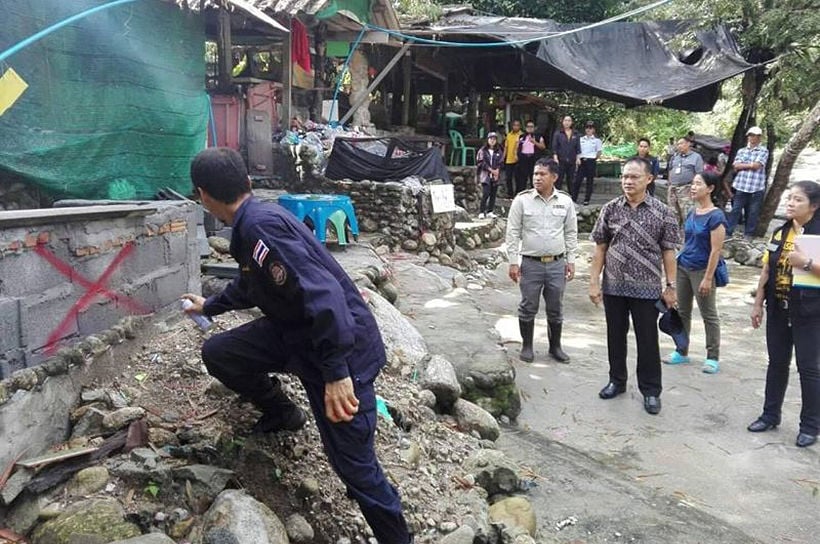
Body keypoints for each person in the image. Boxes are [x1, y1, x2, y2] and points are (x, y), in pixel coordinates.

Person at [182, 148, 412, 543]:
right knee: (220, 352)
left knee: (355, 468)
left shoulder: (259, 227)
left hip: (338, 348)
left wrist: (337, 374)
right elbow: (254, 282)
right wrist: (212, 305)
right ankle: (283, 413)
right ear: (248, 183)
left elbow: (325, 297)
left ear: (203, 195)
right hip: (297, 335)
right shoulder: (253, 222)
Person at [589, 157, 679, 415]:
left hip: (647, 288)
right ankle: (616, 381)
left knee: (648, 340)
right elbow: (600, 247)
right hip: (613, 286)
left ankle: (651, 391)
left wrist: (671, 286)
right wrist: (594, 281)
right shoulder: (610, 209)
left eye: (634, 177)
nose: (628, 181)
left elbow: (668, 252)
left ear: (649, 179)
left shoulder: (663, 212)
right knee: (615, 336)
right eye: (625, 177)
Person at [747, 180, 820, 448]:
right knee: (776, 363)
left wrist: (807, 263)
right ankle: (769, 415)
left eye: (797, 199)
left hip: (810, 312)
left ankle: (810, 426)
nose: (790, 203)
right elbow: (767, 271)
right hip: (778, 308)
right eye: (789, 198)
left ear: (814, 205)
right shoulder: (780, 233)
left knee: (809, 369)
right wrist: (758, 303)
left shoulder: (817, 234)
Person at [505, 158, 578, 363]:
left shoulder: (565, 201)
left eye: (542, 174)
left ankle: (555, 347)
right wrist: (512, 261)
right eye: (535, 174)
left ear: (554, 177)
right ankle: (527, 346)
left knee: (556, 307)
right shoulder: (522, 200)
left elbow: (571, 232)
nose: (537, 177)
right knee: (528, 306)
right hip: (530, 263)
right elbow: (512, 232)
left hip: (556, 264)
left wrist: (571, 260)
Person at [664, 172, 726, 373]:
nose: (693, 187)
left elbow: (716, 250)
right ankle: (681, 350)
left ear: (710, 188)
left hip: (702, 269)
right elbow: (686, 240)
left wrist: (708, 278)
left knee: (708, 314)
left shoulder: (716, 216)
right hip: (684, 266)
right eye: (692, 183)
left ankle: (712, 356)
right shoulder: (692, 211)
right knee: (682, 311)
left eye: (698, 184)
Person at [727, 126, 769, 239]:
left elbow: (757, 166)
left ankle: (748, 234)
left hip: (756, 187)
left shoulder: (763, 150)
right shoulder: (742, 150)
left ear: (759, 137)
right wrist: (750, 165)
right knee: (735, 210)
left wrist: (744, 165)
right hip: (741, 185)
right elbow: (735, 166)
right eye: (750, 135)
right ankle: (728, 232)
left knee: (753, 212)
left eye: (754, 135)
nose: (752, 137)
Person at [667, 137, 704, 225]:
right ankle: (675, 236)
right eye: (678, 144)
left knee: (687, 214)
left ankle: (687, 236)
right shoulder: (674, 157)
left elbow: (699, 174)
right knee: (673, 214)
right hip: (672, 188)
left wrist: (695, 188)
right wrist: (669, 183)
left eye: (681, 143)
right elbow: (670, 170)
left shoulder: (696, 157)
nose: (679, 146)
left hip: (686, 188)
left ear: (688, 144)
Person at [571, 120, 603, 205]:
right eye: (587, 128)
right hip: (581, 161)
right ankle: (573, 199)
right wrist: (577, 159)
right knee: (577, 181)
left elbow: (599, 152)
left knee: (590, 181)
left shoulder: (597, 140)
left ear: (594, 130)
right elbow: (577, 150)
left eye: (590, 128)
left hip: (591, 161)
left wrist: (593, 158)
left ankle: (586, 199)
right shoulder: (580, 139)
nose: (588, 129)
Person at [477, 132, 503, 218]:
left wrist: (497, 171)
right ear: (487, 140)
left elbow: (501, 162)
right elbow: (480, 163)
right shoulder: (482, 150)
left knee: (493, 193)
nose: (492, 141)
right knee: (486, 193)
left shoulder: (499, 151)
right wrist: (491, 170)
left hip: (495, 174)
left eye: (494, 139)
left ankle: (490, 211)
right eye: (490, 139)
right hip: (486, 174)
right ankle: (481, 211)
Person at [552, 115, 581, 192]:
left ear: (571, 122)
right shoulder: (558, 133)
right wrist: (555, 157)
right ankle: (557, 196)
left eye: (569, 121)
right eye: (565, 120)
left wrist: (578, 158)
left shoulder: (576, 134)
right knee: (559, 179)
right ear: (562, 122)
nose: (567, 122)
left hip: (572, 159)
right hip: (561, 160)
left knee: (571, 180)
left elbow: (578, 147)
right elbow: (555, 147)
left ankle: (572, 198)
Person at [516, 120, 546, 193]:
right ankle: (522, 194)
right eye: (528, 127)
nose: (530, 128)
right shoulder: (522, 136)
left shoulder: (538, 136)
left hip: (534, 159)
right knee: (522, 178)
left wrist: (534, 142)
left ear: (534, 128)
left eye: (531, 127)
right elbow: (518, 147)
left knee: (534, 177)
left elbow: (543, 147)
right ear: (525, 128)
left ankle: (535, 193)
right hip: (523, 159)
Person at [502, 120, 523, 197]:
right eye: (514, 125)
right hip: (509, 160)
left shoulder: (521, 135)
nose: (516, 127)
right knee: (508, 178)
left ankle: (518, 193)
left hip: (518, 160)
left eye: (517, 125)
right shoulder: (509, 135)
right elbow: (506, 148)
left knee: (518, 178)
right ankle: (510, 193)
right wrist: (503, 158)